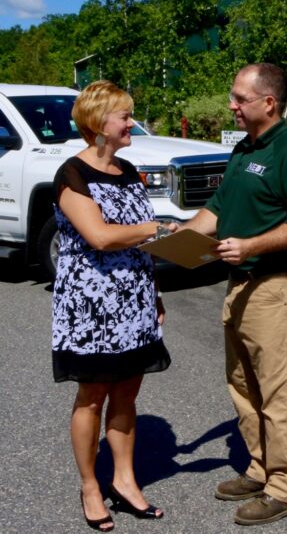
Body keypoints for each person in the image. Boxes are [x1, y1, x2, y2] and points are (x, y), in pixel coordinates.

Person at [184, 63, 287, 526]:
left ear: (268, 103)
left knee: (280, 391)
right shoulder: (244, 150)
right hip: (240, 285)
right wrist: (179, 238)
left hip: (276, 287)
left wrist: (250, 245)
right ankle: (261, 467)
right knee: (245, 386)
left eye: (239, 99)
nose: (232, 106)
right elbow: (218, 208)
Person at [52, 80, 174, 531]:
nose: (131, 123)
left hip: (134, 302)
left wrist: (154, 291)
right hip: (90, 309)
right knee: (92, 395)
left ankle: (125, 480)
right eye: (124, 116)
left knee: (127, 393)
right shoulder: (72, 174)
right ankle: (90, 486)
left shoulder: (127, 170)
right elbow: (100, 236)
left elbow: (139, 238)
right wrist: (157, 229)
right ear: (97, 123)